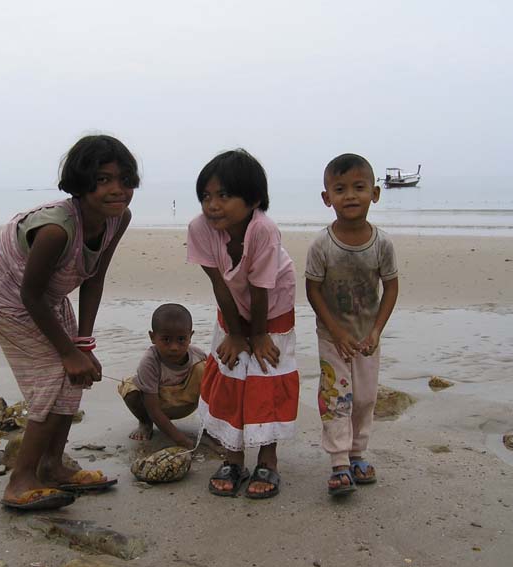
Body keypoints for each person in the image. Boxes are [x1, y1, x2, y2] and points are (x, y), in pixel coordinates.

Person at [0, 134, 139, 510]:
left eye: (125, 179)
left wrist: (82, 345)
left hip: (47, 295)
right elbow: (28, 295)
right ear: (81, 184)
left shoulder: (118, 219)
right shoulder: (55, 229)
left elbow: (94, 277)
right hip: (6, 293)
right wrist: (65, 352)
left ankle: (53, 465)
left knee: (75, 372)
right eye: (103, 180)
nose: (117, 189)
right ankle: (20, 480)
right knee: (53, 373)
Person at [186, 149, 299, 499]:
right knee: (231, 372)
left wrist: (259, 334)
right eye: (206, 196)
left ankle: (268, 458)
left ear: (253, 199)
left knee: (267, 375)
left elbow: (261, 285)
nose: (212, 205)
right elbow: (219, 283)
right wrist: (235, 335)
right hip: (232, 305)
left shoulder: (263, 230)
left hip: (273, 306)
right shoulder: (199, 228)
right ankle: (233, 457)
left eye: (224, 195)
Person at [305, 153, 399, 496]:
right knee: (336, 398)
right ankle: (339, 462)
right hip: (333, 337)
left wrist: (376, 330)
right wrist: (337, 331)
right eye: (340, 189)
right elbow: (313, 289)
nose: (350, 196)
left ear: (374, 193)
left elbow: (391, 287)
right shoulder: (322, 245)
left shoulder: (382, 244)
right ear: (326, 197)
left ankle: (358, 452)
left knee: (364, 398)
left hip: (366, 337)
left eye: (359, 188)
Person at [118, 303, 207, 449]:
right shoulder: (149, 362)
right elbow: (153, 408)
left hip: (186, 404)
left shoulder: (199, 356)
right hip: (155, 407)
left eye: (181, 339)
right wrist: (181, 440)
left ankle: (209, 431)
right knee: (130, 389)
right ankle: (145, 423)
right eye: (166, 339)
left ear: (190, 336)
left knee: (206, 370)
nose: (173, 347)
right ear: (152, 337)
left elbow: (214, 398)